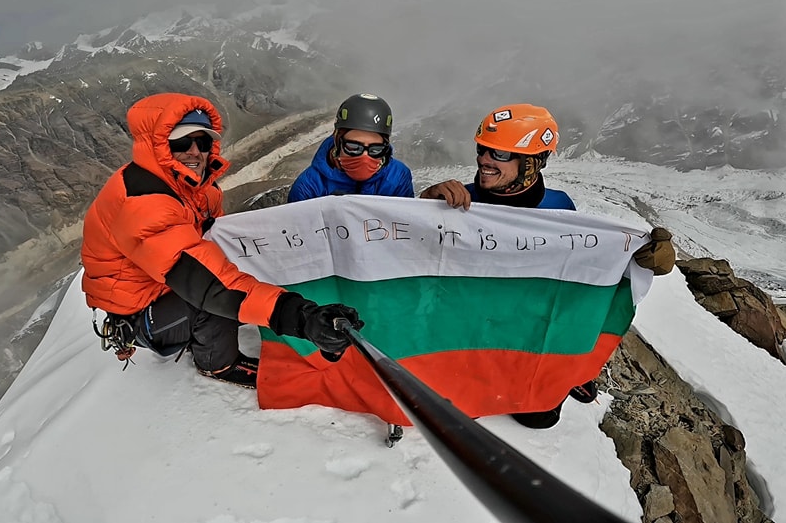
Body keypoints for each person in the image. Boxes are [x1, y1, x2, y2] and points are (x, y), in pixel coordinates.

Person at [81, 92, 364, 389]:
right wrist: (302, 318)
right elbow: (209, 285)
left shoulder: (192, 187)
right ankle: (217, 363)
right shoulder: (144, 204)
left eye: (202, 142)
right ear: (158, 145)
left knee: (234, 267)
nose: (194, 152)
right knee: (211, 299)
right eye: (181, 142)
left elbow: (213, 243)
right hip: (142, 313)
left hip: (160, 285)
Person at [419, 103, 676, 428]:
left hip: (522, 329)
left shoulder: (559, 209)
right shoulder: (454, 202)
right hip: (466, 327)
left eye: (499, 154)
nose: (483, 159)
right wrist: (422, 206)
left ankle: (570, 371)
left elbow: (582, 276)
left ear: (531, 162)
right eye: (483, 149)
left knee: (538, 416)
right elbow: (407, 258)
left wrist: (639, 258)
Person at [287, 93, 414, 202]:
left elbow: (407, 223)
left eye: (376, 150)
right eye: (354, 147)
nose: (365, 157)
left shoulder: (399, 177)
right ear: (338, 142)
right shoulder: (308, 187)